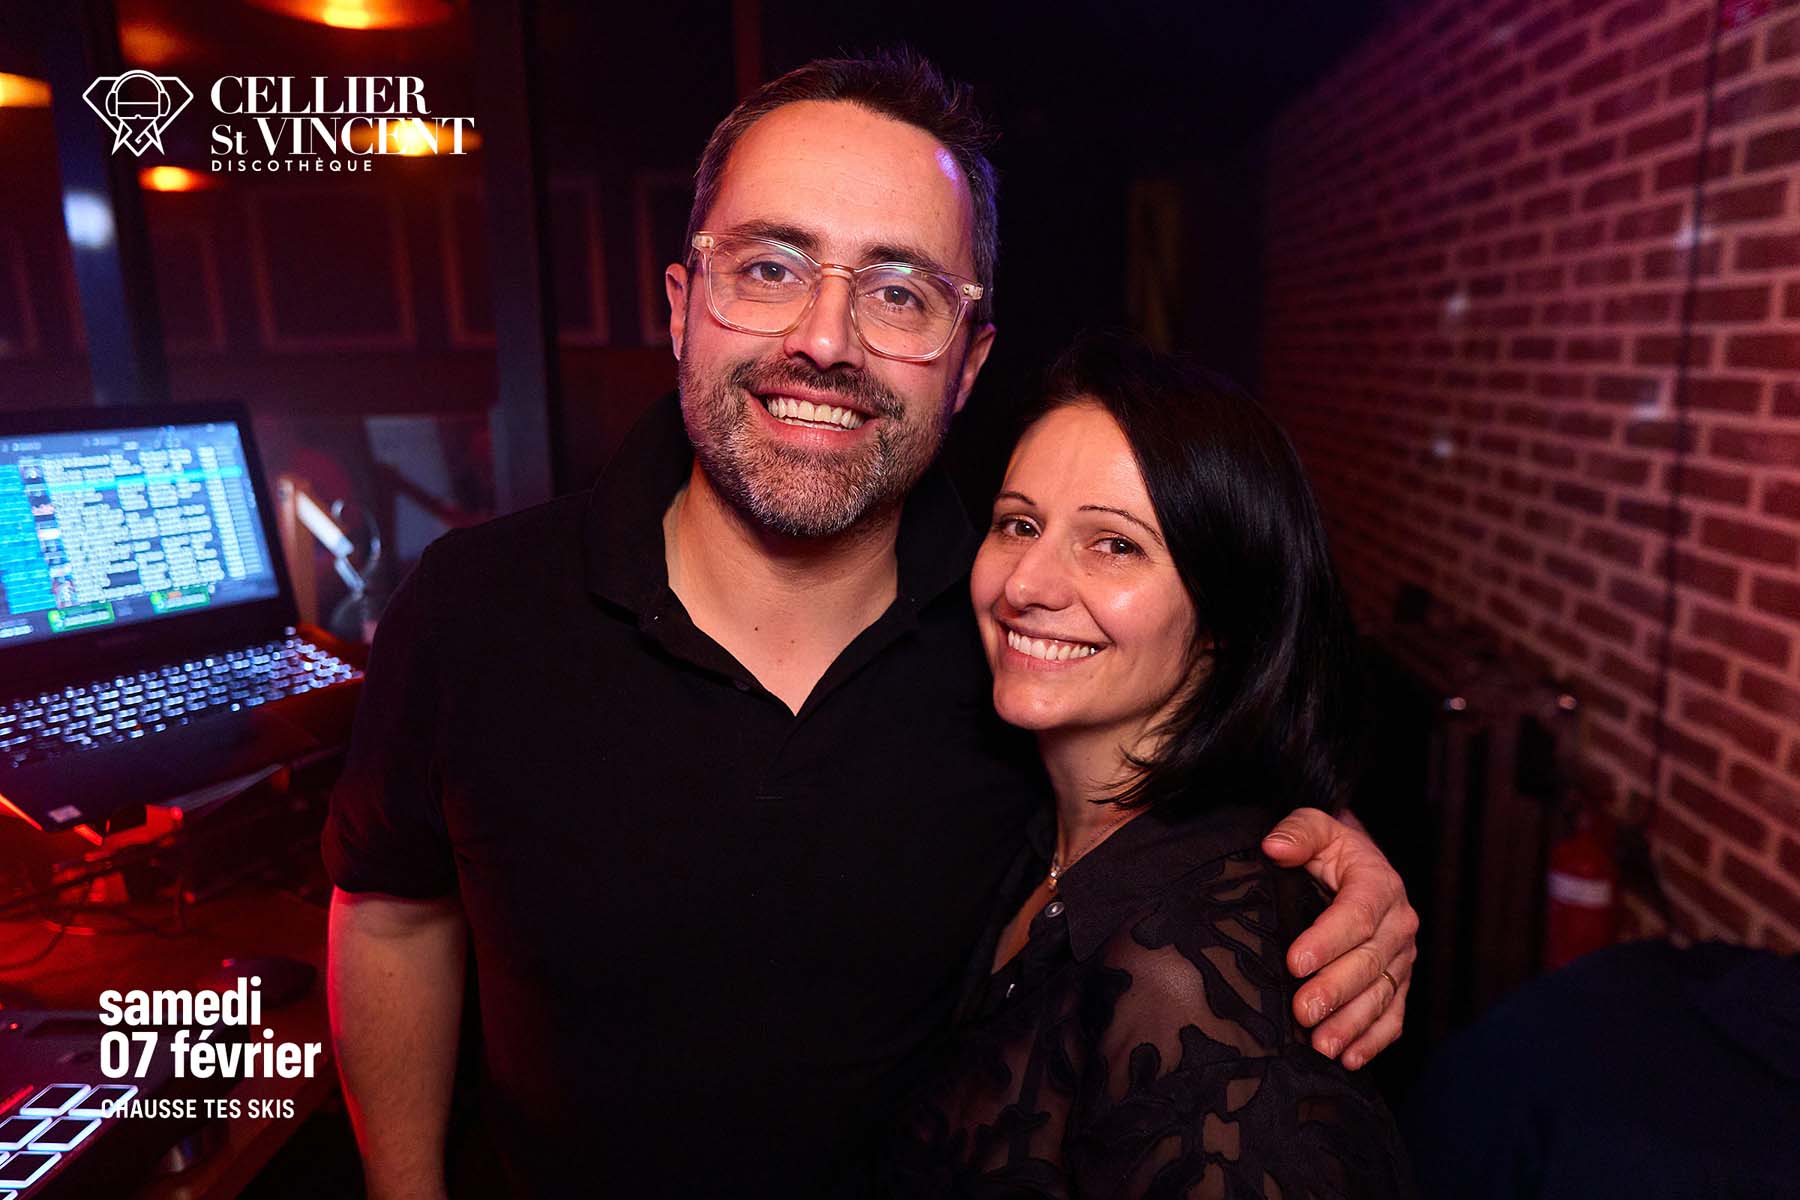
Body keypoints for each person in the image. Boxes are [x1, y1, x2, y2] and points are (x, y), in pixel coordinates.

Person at [323, 51, 1418, 1198]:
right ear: (681, 307)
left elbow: (1168, 786)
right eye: (770, 267)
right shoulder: (474, 610)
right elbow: (391, 909)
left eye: (900, 293)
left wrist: (1316, 851)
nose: (826, 339)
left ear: (968, 364)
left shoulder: (1020, 649)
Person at [883, 334, 1411, 1197]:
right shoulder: (1022, 814)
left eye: (1115, 545)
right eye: (1020, 525)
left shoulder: (1198, 977)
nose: (1027, 585)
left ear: (1225, 617)